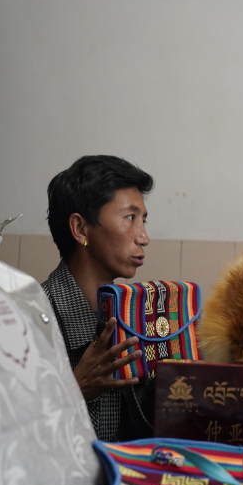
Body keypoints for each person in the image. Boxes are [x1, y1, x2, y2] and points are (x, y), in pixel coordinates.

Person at [42, 155, 154, 441]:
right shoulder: (31, 318)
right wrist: (75, 389)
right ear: (80, 229)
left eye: (143, 220)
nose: (143, 237)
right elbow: (0, 434)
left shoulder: (137, 316)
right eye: (130, 218)